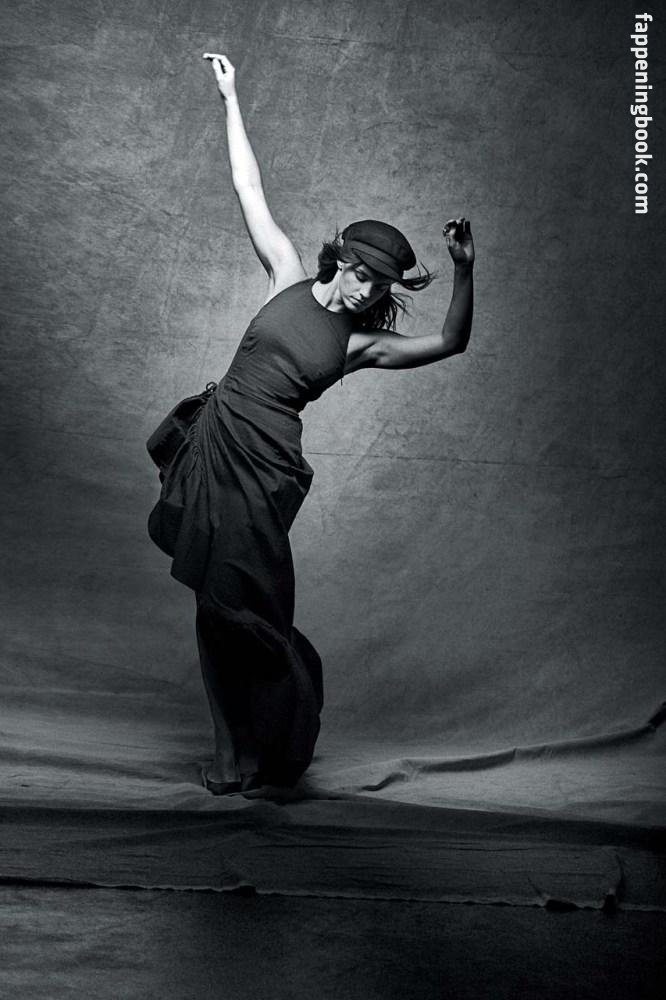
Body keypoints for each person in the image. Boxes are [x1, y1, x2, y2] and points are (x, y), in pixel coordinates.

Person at [147, 53, 475, 799]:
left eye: (381, 286)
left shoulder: (360, 345)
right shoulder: (287, 272)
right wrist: (231, 96)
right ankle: (228, 754)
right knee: (208, 601)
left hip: (264, 474)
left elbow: (451, 342)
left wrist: (464, 270)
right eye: (363, 274)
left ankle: (271, 736)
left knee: (245, 613)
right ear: (342, 259)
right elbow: (248, 185)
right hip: (214, 445)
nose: (368, 293)